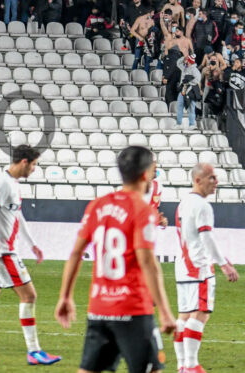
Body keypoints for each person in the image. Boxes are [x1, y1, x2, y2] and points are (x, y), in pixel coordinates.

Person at [54, 146, 176, 373]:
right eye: (153, 170)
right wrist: (166, 312)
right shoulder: (142, 210)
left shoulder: (97, 205)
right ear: (145, 174)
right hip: (133, 310)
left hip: (99, 308)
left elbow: (75, 253)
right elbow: (148, 262)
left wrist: (65, 296)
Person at [0, 145, 60, 366]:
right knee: (29, 296)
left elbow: (18, 216)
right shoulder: (1, 183)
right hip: (3, 253)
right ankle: (34, 351)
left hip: (1, 252)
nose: (34, 169)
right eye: (34, 164)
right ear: (24, 162)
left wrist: (33, 244)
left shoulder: (13, 184)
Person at [172, 163, 240, 373]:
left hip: (183, 264)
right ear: (198, 180)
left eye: (216, 178)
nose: (216, 182)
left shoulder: (184, 203)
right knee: (201, 314)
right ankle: (192, 365)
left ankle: (182, 365)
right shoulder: (202, 206)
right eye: (211, 178)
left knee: (184, 316)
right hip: (199, 267)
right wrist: (224, 264)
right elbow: (206, 236)